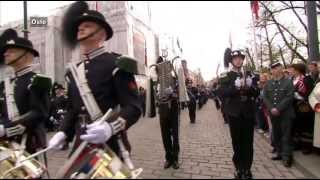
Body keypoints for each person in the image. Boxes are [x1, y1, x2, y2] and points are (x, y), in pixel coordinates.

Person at [48, 1, 142, 165]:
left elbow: (133, 107)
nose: (81, 28)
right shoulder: (73, 71)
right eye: (79, 27)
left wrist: (110, 128)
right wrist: (63, 131)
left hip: (110, 144)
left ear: (102, 34)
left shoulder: (117, 64)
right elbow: (73, 109)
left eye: (88, 25)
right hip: (81, 144)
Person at [0, 29, 51, 155]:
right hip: (8, 144)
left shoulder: (39, 80)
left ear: (27, 55)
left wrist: (6, 128)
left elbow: (39, 112)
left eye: (11, 51)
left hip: (29, 142)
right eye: (6, 51)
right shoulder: (5, 84)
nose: (6, 54)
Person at [219, 48, 259, 179]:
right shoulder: (226, 75)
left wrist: (251, 87)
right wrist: (234, 87)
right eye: (236, 58)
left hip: (248, 113)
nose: (238, 60)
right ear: (232, 60)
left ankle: (247, 168)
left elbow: (257, 92)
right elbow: (222, 93)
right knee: (236, 142)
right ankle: (238, 168)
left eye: (241, 58)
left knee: (248, 142)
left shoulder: (250, 74)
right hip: (234, 113)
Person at [263, 62, 295, 168]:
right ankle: (280, 153)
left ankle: (287, 157)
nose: (274, 70)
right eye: (272, 69)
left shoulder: (288, 82)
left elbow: (289, 97)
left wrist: (278, 108)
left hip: (285, 113)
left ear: (281, 68)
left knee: (286, 135)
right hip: (273, 113)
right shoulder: (269, 83)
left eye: (276, 68)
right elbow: (265, 97)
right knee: (276, 134)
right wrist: (271, 108)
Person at [154, 56, 180, 169]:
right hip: (163, 111)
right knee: (165, 136)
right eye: (159, 67)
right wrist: (157, 96)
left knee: (175, 135)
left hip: (173, 110)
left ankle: (175, 158)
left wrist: (172, 93)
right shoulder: (156, 81)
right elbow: (154, 97)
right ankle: (168, 158)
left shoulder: (174, 79)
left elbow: (180, 94)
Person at [290, 63, 315, 154]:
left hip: (304, 107)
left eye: (292, 69)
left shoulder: (306, 79)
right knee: (297, 126)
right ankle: (297, 144)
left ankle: (307, 147)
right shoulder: (292, 79)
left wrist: (299, 96)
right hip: (294, 106)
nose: (290, 71)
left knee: (305, 127)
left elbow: (310, 92)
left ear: (297, 70)